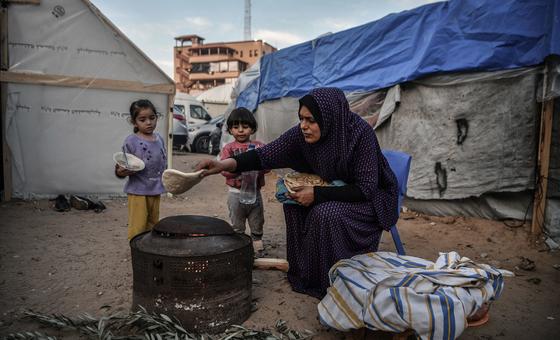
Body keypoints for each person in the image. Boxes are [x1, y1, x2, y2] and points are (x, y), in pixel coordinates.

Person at [196, 87, 399, 299]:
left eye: (311, 120)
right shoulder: (300, 136)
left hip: (368, 199)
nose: (303, 126)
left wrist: (317, 194)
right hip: (332, 189)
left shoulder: (359, 134)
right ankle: (307, 274)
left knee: (325, 213)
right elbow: (264, 154)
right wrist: (223, 165)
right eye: (301, 119)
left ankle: (333, 281)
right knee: (293, 204)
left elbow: (366, 187)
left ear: (329, 118)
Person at [115, 99, 167, 240]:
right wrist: (120, 172)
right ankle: (136, 249)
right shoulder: (131, 141)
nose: (149, 123)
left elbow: (163, 162)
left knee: (153, 222)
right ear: (134, 122)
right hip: (138, 191)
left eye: (152, 118)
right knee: (138, 224)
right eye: (142, 119)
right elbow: (121, 165)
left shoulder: (160, 139)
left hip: (155, 189)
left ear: (157, 117)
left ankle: (148, 249)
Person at [220, 107, 267, 252]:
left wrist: (258, 169)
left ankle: (257, 242)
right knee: (237, 222)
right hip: (235, 193)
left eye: (245, 127)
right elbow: (223, 169)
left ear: (252, 129)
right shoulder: (229, 149)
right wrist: (239, 169)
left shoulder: (259, 147)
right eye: (236, 127)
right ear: (230, 130)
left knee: (257, 219)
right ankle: (239, 247)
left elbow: (268, 165)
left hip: (254, 192)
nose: (240, 130)